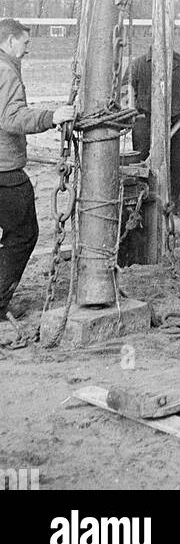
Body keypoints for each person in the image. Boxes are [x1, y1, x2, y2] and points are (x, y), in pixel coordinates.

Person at [0, 18, 74, 336]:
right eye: (24, 42)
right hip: (5, 169)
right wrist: (52, 116)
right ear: (10, 40)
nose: (27, 48)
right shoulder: (6, 70)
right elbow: (11, 117)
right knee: (23, 234)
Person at [129, 47, 180, 220]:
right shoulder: (137, 65)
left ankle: (177, 203)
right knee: (142, 162)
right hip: (145, 119)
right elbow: (125, 92)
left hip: (177, 119)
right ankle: (142, 205)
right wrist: (131, 113)